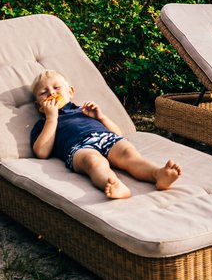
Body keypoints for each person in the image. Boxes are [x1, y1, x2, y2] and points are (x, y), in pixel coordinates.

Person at [30, 69, 181, 200]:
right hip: (79, 148)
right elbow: (42, 152)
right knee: (93, 162)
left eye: (57, 87)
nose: (51, 93)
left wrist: (100, 117)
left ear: (70, 92)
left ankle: (158, 174)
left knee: (128, 153)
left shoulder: (84, 110)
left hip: (105, 137)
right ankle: (113, 184)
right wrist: (51, 117)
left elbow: (118, 134)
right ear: (39, 107)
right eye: (44, 93)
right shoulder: (45, 122)